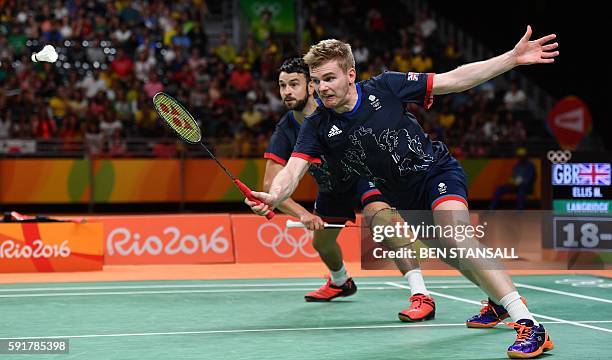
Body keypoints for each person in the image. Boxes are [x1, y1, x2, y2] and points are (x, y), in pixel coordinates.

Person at [247, 26, 558, 358]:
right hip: (403, 198)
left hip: (437, 173)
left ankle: (531, 325)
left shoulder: (386, 87)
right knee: (452, 254)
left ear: (350, 75)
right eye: (317, 81)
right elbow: (292, 170)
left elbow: (454, 80)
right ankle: (497, 302)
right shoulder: (317, 125)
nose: (322, 88)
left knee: (457, 237)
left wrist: (510, 59)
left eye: (330, 78)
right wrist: (274, 195)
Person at [253, 57, 435, 321]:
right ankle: (341, 282)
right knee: (322, 243)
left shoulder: (335, 109)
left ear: (312, 86)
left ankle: (421, 295)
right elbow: (272, 185)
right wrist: (303, 214)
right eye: (282, 85)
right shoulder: (287, 128)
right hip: (331, 187)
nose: (287, 92)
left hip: (362, 175)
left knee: (380, 218)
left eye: (294, 84)